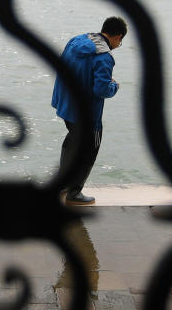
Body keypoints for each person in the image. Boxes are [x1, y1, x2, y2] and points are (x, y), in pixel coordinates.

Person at [51, 16, 127, 205]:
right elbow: (101, 90)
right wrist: (114, 86)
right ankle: (74, 191)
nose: (119, 45)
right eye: (121, 41)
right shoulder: (104, 57)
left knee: (72, 141)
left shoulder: (77, 40)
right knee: (90, 148)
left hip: (66, 104)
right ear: (117, 36)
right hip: (86, 114)